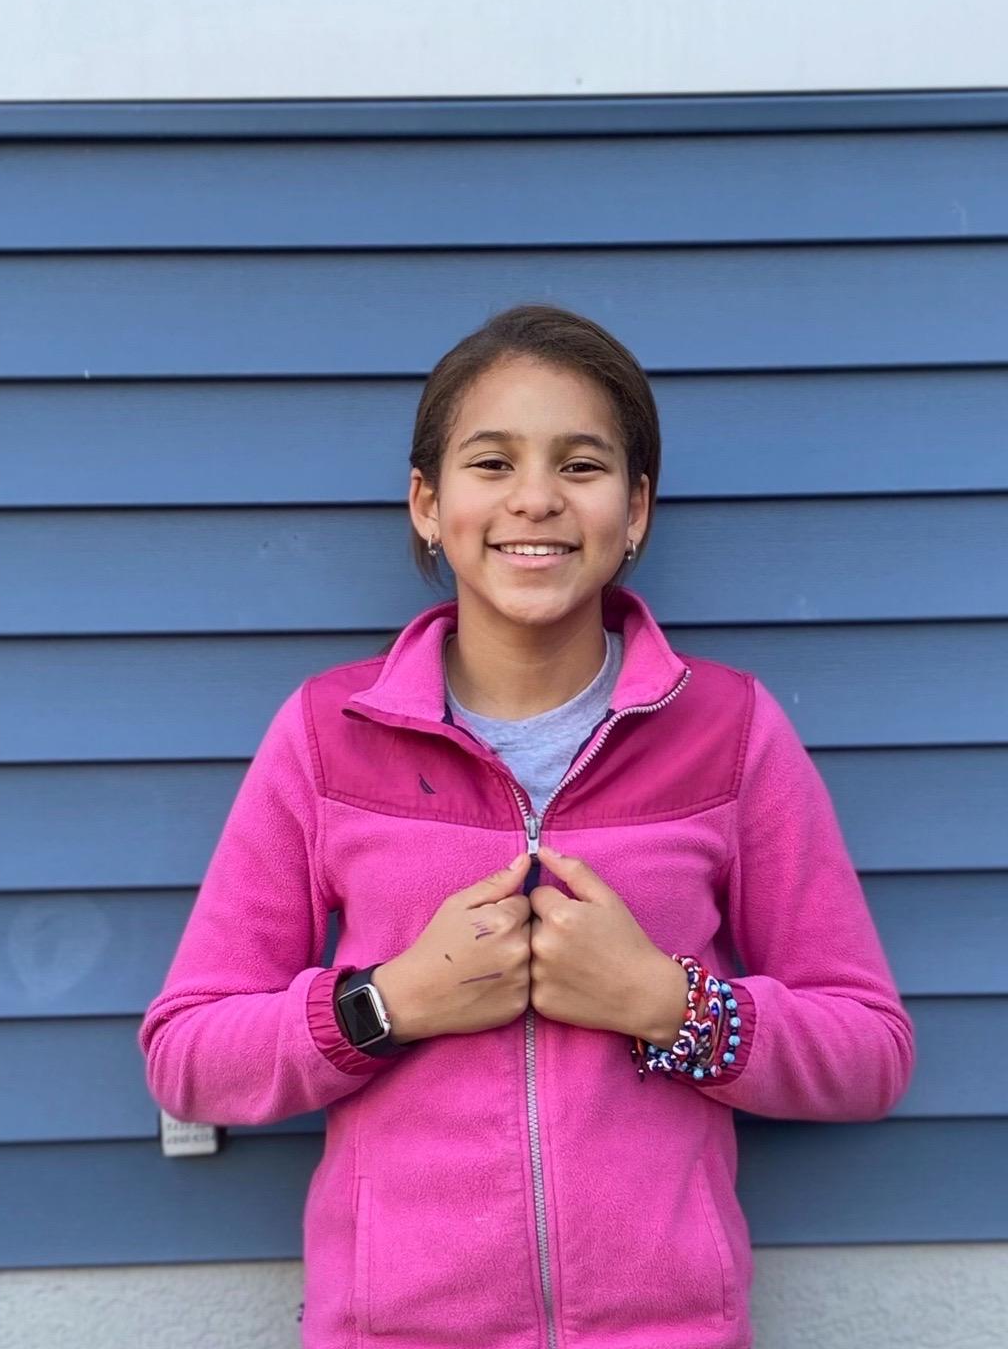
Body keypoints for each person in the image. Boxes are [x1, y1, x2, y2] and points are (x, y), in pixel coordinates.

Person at [140, 304, 914, 1349]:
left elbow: (868, 1046)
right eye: (491, 461)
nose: (536, 498)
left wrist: (670, 1004)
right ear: (428, 501)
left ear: (634, 508)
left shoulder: (727, 731)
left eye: (581, 464)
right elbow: (186, 1051)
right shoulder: (327, 735)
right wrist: (386, 1002)